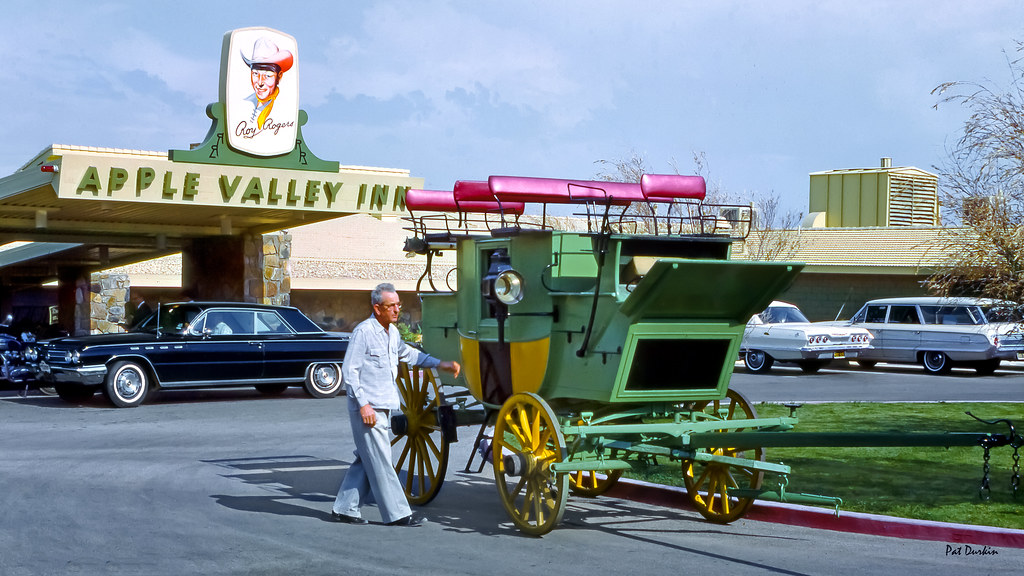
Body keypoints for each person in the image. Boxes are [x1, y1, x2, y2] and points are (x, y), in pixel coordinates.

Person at [331, 283, 460, 526]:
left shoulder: (392, 333)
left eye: (398, 305)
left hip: (383, 405)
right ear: (377, 308)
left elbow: (409, 355)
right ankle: (399, 514)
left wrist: (439, 363)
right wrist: (363, 406)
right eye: (391, 306)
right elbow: (350, 372)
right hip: (367, 408)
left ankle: (345, 508)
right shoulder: (364, 332)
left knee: (367, 458)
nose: (397, 310)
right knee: (380, 458)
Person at [240, 36, 293, 128]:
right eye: (255, 74)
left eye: (267, 76)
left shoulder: (285, 108)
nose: (260, 82)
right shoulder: (242, 104)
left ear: (279, 76)